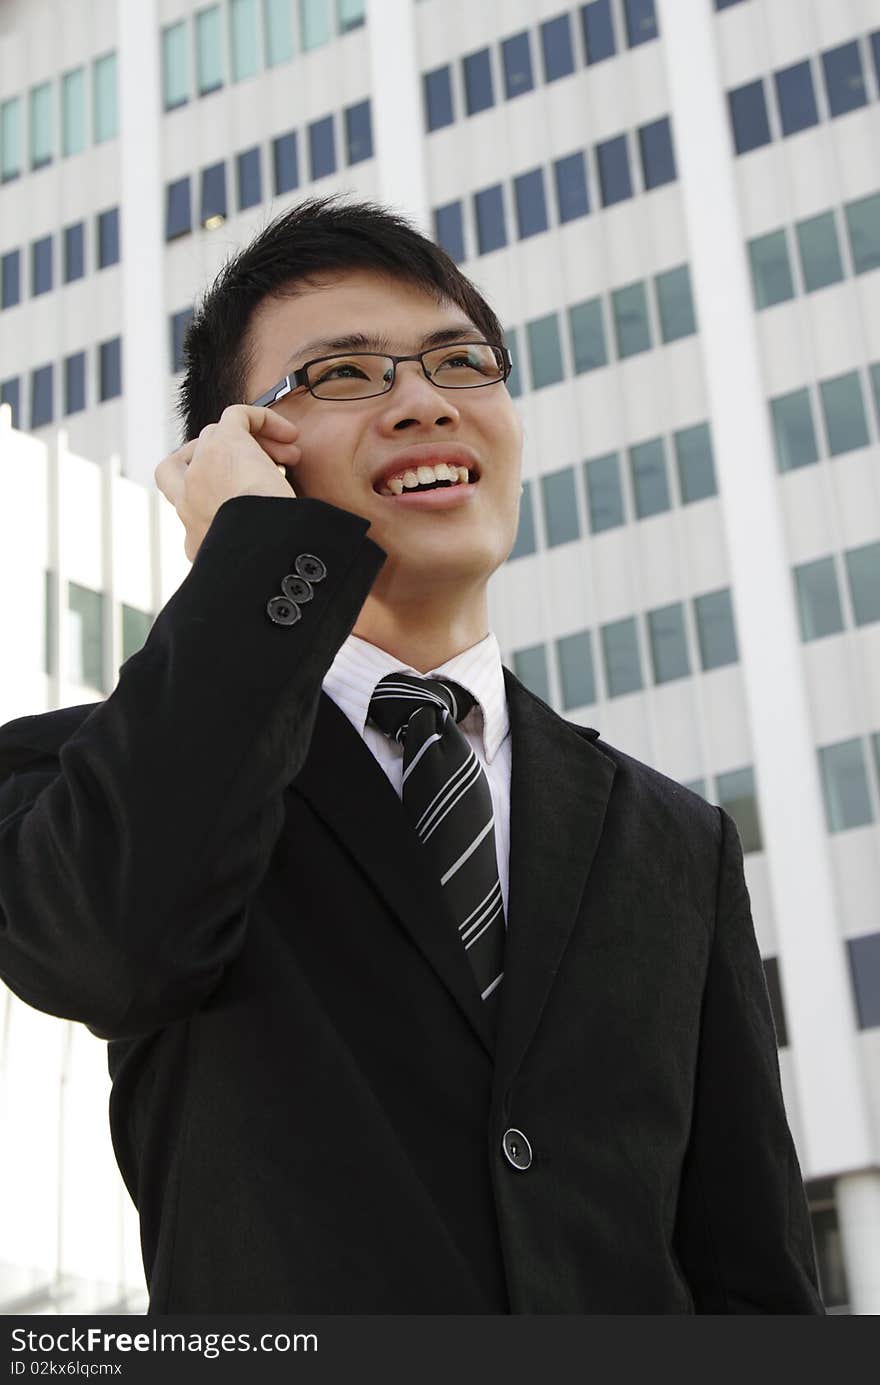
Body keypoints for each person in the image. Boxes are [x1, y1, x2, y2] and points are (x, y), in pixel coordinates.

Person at [0, 193, 824, 1315]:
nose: (424, 401)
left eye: (458, 360)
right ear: (238, 455)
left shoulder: (673, 836)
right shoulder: (104, 780)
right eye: (343, 374)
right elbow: (105, 953)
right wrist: (257, 562)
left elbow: (750, 1271)